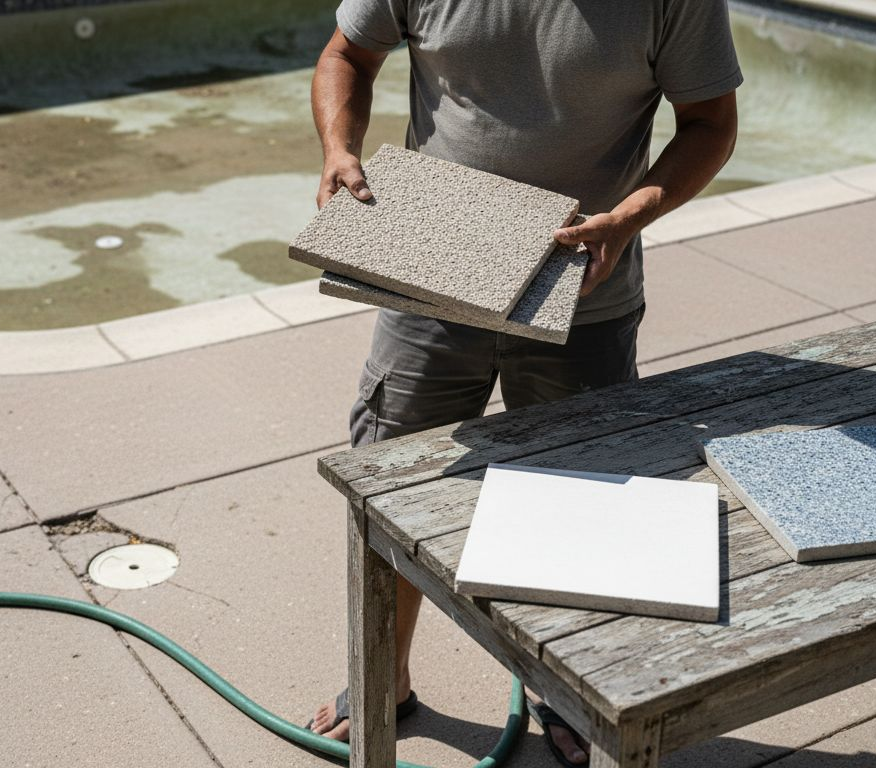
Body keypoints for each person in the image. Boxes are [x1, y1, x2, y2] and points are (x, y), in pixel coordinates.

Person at [305, 1, 741, 764]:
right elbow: (348, 54)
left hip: (585, 294)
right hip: (429, 280)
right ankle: (383, 676)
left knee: (577, 505)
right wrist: (338, 148)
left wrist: (629, 216)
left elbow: (709, 121)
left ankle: (566, 691)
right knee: (389, 491)